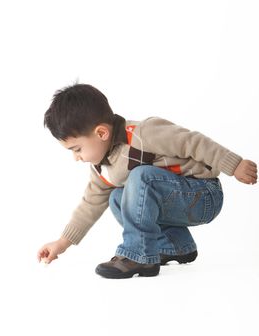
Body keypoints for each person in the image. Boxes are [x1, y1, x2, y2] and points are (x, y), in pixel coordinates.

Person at [37, 83, 257, 279]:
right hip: (177, 200)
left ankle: (138, 254)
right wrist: (62, 243)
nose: (76, 157)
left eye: (77, 149)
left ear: (101, 133)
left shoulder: (143, 134)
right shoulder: (103, 168)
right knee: (117, 197)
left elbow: (193, 142)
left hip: (204, 194)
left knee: (141, 176)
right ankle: (176, 246)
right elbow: (89, 205)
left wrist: (234, 165)